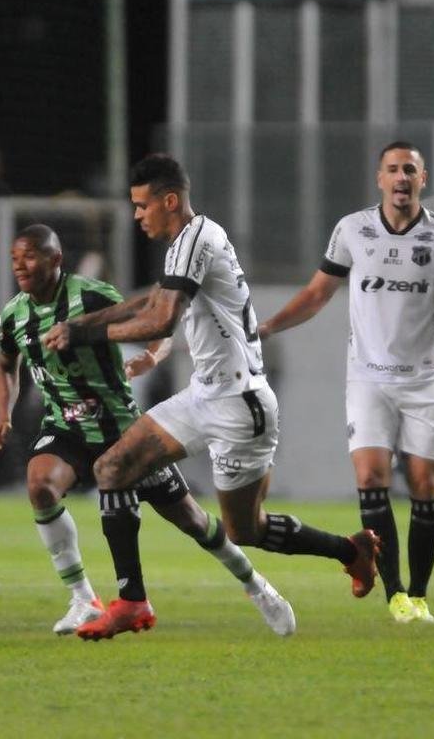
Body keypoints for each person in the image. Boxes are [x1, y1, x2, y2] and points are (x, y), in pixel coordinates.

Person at [45, 154, 380, 640]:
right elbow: (149, 301)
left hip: (241, 407)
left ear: (170, 200)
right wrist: (82, 323)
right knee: (112, 468)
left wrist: (86, 337)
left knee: (246, 529)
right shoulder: (186, 243)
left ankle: (350, 551)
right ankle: (131, 601)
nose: (137, 216)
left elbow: (160, 320)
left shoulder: (197, 238)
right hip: (205, 395)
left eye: (142, 206)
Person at [0, 224, 296, 636]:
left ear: (55, 259)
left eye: (29, 256)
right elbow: (7, 365)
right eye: (14, 258)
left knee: (192, 521)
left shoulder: (91, 296)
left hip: (121, 428)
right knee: (40, 485)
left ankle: (255, 584)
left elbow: (158, 317)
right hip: (66, 426)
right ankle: (83, 599)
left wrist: (152, 355)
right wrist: (3, 416)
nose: (20, 265)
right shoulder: (14, 316)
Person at [259, 140, 434, 624]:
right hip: (368, 378)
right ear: (380, 179)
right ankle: (394, 594)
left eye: (410, 169)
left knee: (424, 485)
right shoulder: (352, 230)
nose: (401, 177)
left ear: (422, 179)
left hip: (428, 380)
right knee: (370, 477)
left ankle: (420, 592)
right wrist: (267, 327)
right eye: (393, 169)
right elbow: (316, 294)